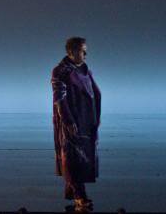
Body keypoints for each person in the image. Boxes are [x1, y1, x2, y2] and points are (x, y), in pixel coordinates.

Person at [51, 37, 101, 212]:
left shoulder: (85, 70)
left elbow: (94, 93)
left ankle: (73, 192)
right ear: (71, 52)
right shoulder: (60, 71)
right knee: (73, 158)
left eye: (85, 50)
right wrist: (68, 120)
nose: (85, 54)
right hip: (72, 121)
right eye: (82, 50)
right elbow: (59, 99)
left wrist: (96, 118)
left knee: (80, 158)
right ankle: (80, 195)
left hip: (86, 121)